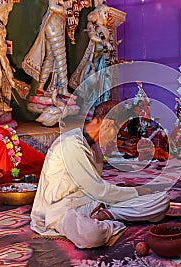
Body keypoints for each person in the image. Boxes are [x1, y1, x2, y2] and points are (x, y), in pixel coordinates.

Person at [31, 101, 170, 249]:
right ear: (109, 124)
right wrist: (138, 192)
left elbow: (95, 188)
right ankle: (109, 221)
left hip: (91, 202)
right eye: (119, 131)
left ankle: (106, 215)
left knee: (162, 201)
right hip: (62, 210)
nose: (117, 138)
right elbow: (98, 190)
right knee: (91, 234)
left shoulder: (94, 146)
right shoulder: (71, 144)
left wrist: (123, 192)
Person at [70, 2, 118, 115]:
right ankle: (92, 108)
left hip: (105, 60)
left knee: (107, 85)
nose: (106, 15)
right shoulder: (92, 25)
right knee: (93, 84)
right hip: (95, 61)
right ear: (98, 13)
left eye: (107, 13)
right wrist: (104, 42)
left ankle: (105, 108)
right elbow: (92, 36)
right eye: (105, 13)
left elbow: (111, 44)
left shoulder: (108, 30)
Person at [22, 0, 70, 98]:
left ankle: (40, 88)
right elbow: (52, 6)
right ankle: (64, 89)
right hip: (54, 23)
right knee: (60, 56)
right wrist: (67, 10)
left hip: (57, 22)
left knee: (51, 57)